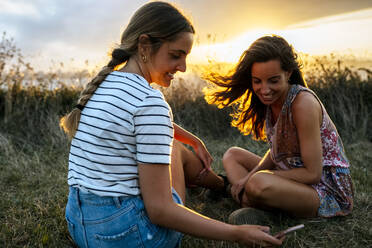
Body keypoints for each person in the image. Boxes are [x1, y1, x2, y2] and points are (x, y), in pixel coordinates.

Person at [59, 2, 282, 247]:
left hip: (80, 226)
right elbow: (160, 211)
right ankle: (224, 188)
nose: (183, 68)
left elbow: (131, 123)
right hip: (127, 236)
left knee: (174, 145)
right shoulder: (149, 100)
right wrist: (237, 233)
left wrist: (192, 139)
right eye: (176, 55)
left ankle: (222, 186)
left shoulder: (103, 85)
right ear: (144, 46)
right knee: (172, 162)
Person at [204, 35, 354, 219]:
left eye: (273, 80)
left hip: (325, 191)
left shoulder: (302, 104)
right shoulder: (273, 101)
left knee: (258, 182)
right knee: (232, 155)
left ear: (288, 73)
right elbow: (277, 150)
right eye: (257, 81)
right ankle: (252, 199)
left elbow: (313, 174)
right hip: (292, 177)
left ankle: (259, 206)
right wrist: (248, 176)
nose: (264, 90)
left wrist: (257, 177)